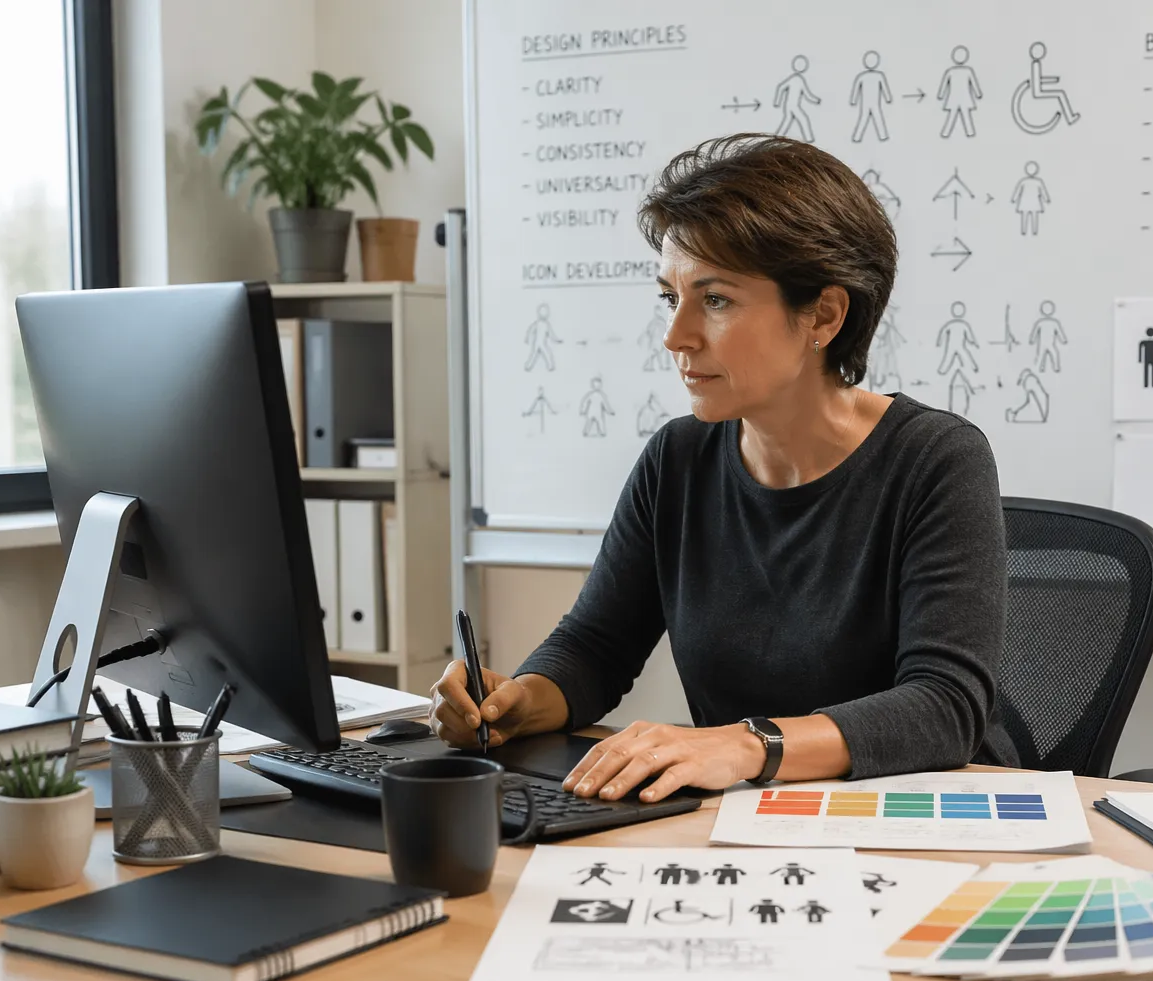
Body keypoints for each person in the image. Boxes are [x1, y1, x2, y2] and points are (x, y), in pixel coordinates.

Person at [428, 134, 1013, 802]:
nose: (676, 336)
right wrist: (516, 704)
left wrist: (744, 744)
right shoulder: (677, 461)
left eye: (715, 300)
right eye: (669, 298)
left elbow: (944, 707)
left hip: (921, 826)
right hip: (740, 826)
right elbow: (596, 647)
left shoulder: (936, 460)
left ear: (823, 312)